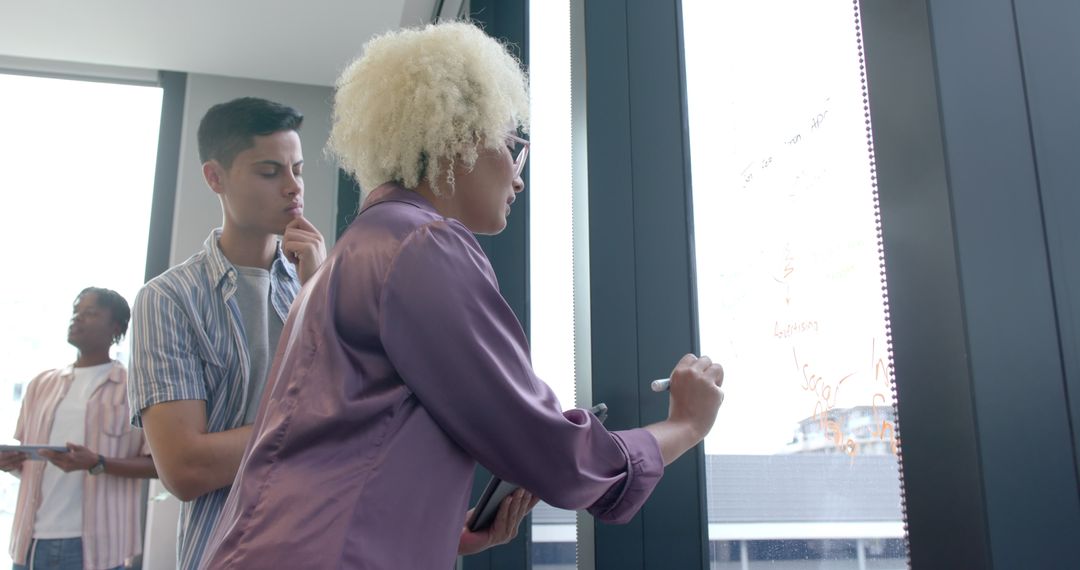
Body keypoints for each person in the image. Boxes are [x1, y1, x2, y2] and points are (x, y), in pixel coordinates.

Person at [199, 21, 726, 570]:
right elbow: (554, 453)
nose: (519, 178)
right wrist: (684, 425)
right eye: (513, 146)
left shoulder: (350, 257)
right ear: (460, 137)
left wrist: (442, 528)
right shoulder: (423, 245)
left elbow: (330, 451)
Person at [127, 97, 329, 570]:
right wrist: (318, 421)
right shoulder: (168, 299)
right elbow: (185, 468)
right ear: (215, 177)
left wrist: (318, 292)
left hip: (327, 545)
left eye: (297, 170)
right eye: (269, 171)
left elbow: (357, 414)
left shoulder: (322, 281)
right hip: (227, 554)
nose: (293, 188)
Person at [0, 288, 156, 570]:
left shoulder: (134, 389)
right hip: (30, 543)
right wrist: (9, 462)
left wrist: (98, 462)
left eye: (90, 313)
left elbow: (157, 465)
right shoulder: (41, 385)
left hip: (97, 548)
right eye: (75, 313)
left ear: (116, 328)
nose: (77, 319)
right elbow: (27, 465)